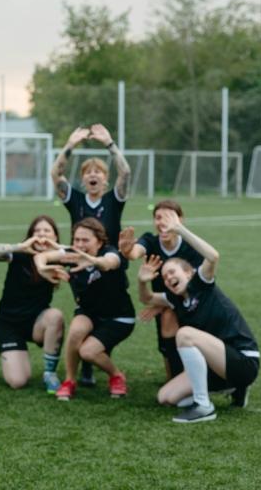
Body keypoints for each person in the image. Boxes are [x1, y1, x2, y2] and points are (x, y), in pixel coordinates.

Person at [136, 208, 259, 424]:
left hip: (243, 361)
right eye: (165, 277)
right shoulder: (174, 298)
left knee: (184, 334)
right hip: (217, 365)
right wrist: (142, 280)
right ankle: (233, 388)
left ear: (189, 273)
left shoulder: (201, 283)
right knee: (165, 397)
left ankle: (204, 406)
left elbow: (213, 256)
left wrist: (180, 230)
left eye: (173, 272)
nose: (169, 278)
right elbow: (146, 299)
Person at [50, 123, 131, 387]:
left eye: (98, 172)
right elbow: (55, 173)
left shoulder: (113, 200)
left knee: (109, 305)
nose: (93, 175)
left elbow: (126, 172)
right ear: (83, 179)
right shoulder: (76, 201)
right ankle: (83, 367)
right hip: (81, 265)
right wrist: (70, 145)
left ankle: (97, 357)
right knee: (87, 307)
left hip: (110, 264)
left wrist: (109, 144)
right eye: (88, 172)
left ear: (105, 179)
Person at [34, 218, 135, 401]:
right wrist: (42, 268)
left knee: (88, 352)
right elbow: (41, 256)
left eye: (85, 240)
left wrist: (90, 260)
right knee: (76, 331)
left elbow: (108, 263)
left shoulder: (110, 253)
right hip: (89, 313)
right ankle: (70, 381)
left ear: (100, 241)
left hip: (118, 317)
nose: (80, 244)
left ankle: (116, 375)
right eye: (77, 240)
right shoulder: (72, 253)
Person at [118, 200, 204, 381]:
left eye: (168, 217)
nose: (162, 222)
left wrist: (163, 305)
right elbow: (135, 252)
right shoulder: (150, 240)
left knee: (173, 324)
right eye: (158, 217)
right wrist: (127, 251)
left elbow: (196, 287)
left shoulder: (191, 247)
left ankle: (187, 379)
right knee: (167, 344)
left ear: (181, 220)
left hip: (191, 303)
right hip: (161, 300)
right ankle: (174, 380)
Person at [0, 215, 65, 394]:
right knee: (18, 381)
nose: (41, 234)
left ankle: (49, 373)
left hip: (37, 323)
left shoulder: (60, 257)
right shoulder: (19, 254)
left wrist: (60, 249)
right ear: (30, 236)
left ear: (55, 237)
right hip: (9, 323)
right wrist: (19, 246)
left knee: (55, 316)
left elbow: (87, 255)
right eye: (37, 231)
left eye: (47, 231)